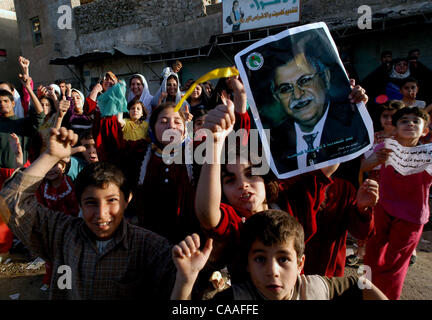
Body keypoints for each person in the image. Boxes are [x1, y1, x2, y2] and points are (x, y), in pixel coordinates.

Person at [0, 127, 176, 299]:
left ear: (127, 200)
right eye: (91, 203)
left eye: (112, 200)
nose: (101, 213)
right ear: (80, 203)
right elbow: (10, 201)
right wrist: (49, 157)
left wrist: (186, 280)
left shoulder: (151, 247)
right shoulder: (60, 233)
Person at [171, 210, 388, 300]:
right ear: (247, 264)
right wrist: (185, 280)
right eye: (260, 259)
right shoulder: (237, 300)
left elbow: (361, 285)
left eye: (283, 259)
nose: (272, 271)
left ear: (300, 263)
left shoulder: (314, 289)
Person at [256, 48, 370, 173]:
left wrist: (358, 108)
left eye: (304, 81)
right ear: (276, 97)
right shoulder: (273, 140)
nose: (298, 95)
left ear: (325, 78)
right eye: (285, 89)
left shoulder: (349, 122)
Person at [363, 107, 432, 300]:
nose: (410, 123)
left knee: (395, 265)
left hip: (412, 218)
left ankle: (387, 297)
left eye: (416, 121)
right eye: (404, 121)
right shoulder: (385, 147)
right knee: (370, 258)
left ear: (425, 131)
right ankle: (363, 293)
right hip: (382, 210)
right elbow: (362, 167)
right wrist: (375, 159)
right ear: (395, 128)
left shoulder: (428, 153)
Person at [84, 71, 127, 162]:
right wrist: (95, 90)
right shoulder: (97, 98)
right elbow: (87, 110)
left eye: (112, 80)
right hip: (99, 135)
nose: (109, 82)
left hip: (113, 135)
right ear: (101, 83)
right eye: (106, 80)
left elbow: (120, 119)